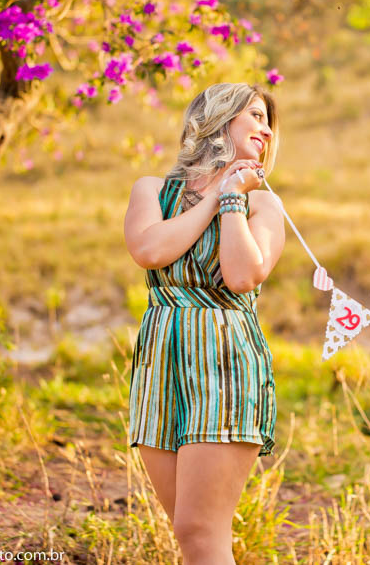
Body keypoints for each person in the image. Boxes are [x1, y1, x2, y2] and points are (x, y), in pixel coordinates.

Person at [123, 83, 285, 564]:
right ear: (220, 118)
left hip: (225, 362)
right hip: (160, 366)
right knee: (190, 537)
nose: (267, 129)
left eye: (268, 120)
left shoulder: (264, 206)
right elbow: (151, 250)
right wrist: (216, 190)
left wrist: (234, 199)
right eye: (255, 115)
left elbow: (240, 276)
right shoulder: (152, 190)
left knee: (201, 531)